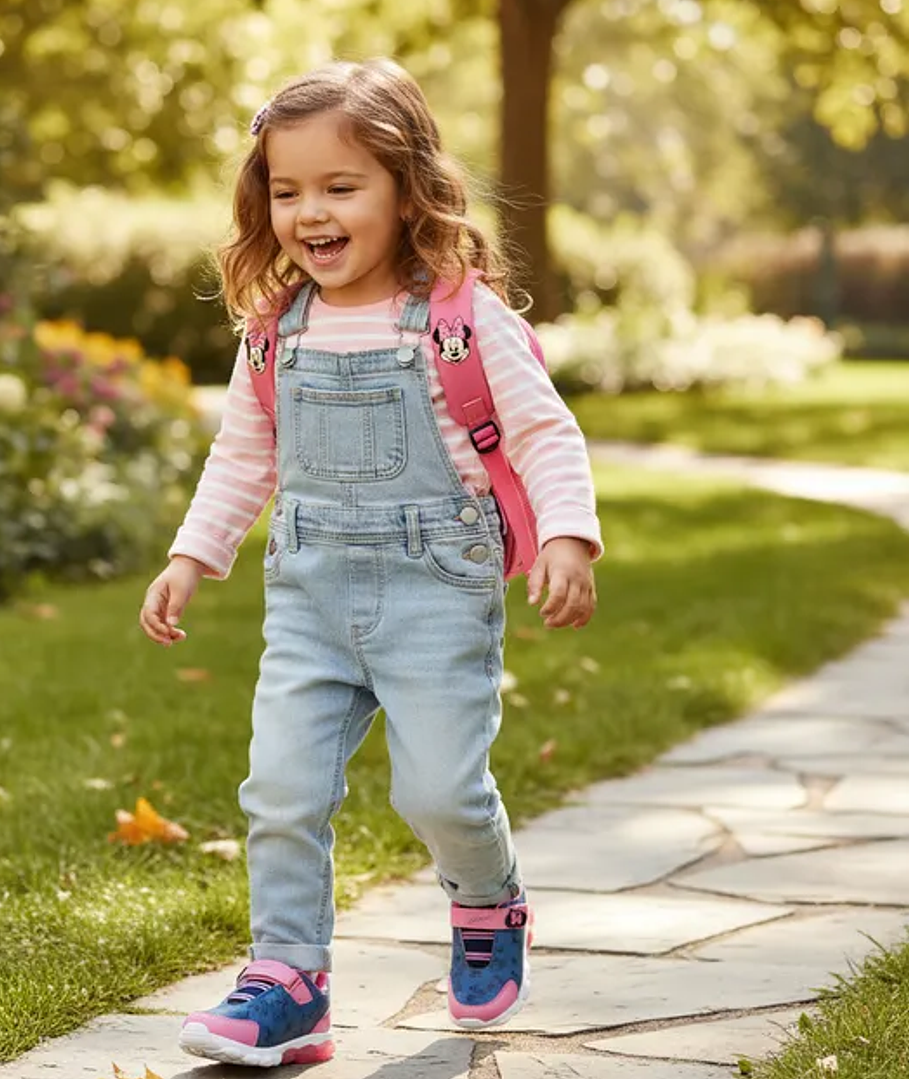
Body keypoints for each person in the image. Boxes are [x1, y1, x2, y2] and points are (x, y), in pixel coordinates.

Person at [138, 57, 603, 1068]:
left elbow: (544, 433)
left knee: (436, 790)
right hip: (308, 597)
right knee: (280, 788)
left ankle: (485, 900)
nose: (309, 210)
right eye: (286, 187)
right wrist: (190, 555)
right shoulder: (272, 333)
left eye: (340, 186)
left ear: (406, 189)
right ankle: (288, 979)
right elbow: (241, 455)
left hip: (434, 589)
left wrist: (565, 533)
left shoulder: (461, 317)